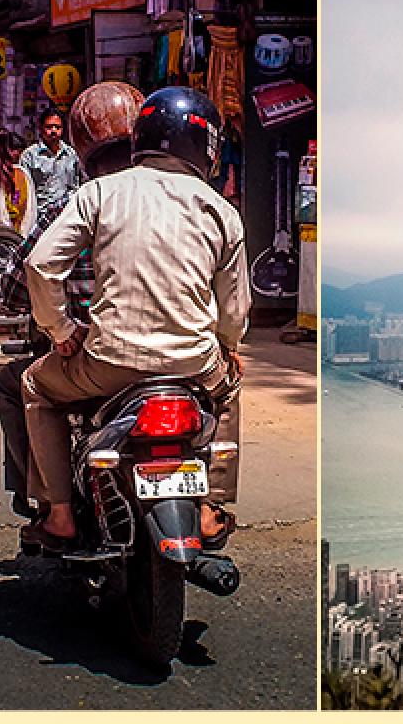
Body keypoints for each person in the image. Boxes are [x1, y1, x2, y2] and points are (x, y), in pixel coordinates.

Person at [19, 87, 250, 549]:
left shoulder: (100, 193)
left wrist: (62, 331)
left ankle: (60, 514)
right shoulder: (221, 210)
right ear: (207, 150)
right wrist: (227, 346)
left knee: (34, 386)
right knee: (229, 388)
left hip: (107, 363)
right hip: (192, 368)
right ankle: (212, 507)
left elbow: (41, 266)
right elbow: (235, 309)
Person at [0, 82, 145, 517]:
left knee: (19, 384)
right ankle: (213, 506)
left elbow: (28, 273)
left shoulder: (80, 204)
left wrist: (61, 330)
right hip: (182, 354)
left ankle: (51, 505)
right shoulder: (180, 202)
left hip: (98, 356)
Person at [17, 108, 84, 231]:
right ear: (41, 129)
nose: (53, 131)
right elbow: (23, 191)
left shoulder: (72, 154)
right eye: (49, 127)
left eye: (57, 127)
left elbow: (79, 184)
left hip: (66, 218)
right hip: (39, 221)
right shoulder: (30, 156)